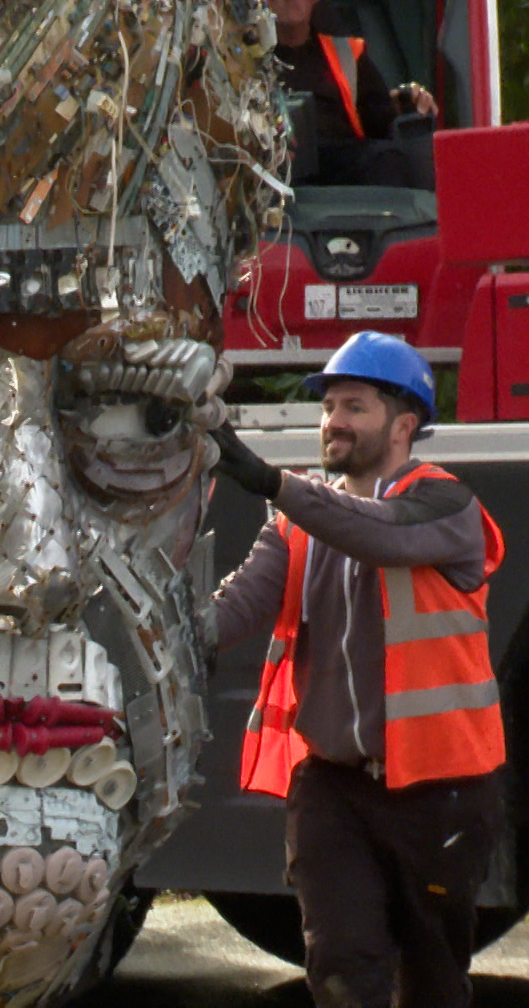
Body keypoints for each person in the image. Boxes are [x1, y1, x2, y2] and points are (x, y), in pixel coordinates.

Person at [211, 331, 505, 1008]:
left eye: (354, 405)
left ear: (405, 425)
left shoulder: (445, 506)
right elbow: (237, 608)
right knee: (343, 968)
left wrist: (271, 482)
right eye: (328, 406)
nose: (334, 421)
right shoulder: (297, 520)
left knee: (432, 983)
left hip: (441, 789)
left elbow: (374, 529)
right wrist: (156, 637)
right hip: (334, 789)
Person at [262, 0, 438, 188]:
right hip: (272, 173)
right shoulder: (244, 59)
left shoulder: (348, 54)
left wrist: (406, 100)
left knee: (393, 161)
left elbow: (381, 119)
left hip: (343, 175)